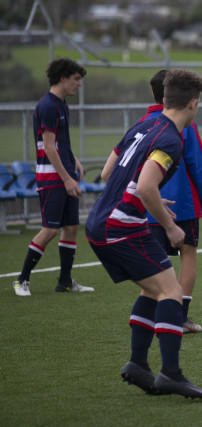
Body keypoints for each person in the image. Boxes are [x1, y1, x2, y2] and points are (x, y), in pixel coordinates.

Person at [86, 69, 202, 398]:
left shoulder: (143, 126)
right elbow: (144, 186)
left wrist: (148, 198)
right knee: (171, 291)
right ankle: (171, 373)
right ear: (193, 103)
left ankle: (138, 365)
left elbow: (109, 172)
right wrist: (169, 225)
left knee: (153, 290)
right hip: (120, 226)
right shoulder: (171, 138)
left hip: (102, 220)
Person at [139, 70, 202, 334]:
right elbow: (197, 164)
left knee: (153, 262)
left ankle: (148, 315)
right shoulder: (184, 125)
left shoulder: (142, 124)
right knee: (188, 256)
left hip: (149, 205)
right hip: (183, 203)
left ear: (154, 93)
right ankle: (179, 317)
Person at [12, 57, 94, 296]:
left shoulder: (61, 104)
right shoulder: (47, 106)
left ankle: (65, 282)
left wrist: (74, 160)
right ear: (62, 78)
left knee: (71, 227)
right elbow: (48, 147)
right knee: (50, 230)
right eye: (76, 79)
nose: (79, 84)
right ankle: (21, 280)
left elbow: (59, 143)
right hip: (52, 179)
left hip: (66, 174)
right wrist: (67, 179)